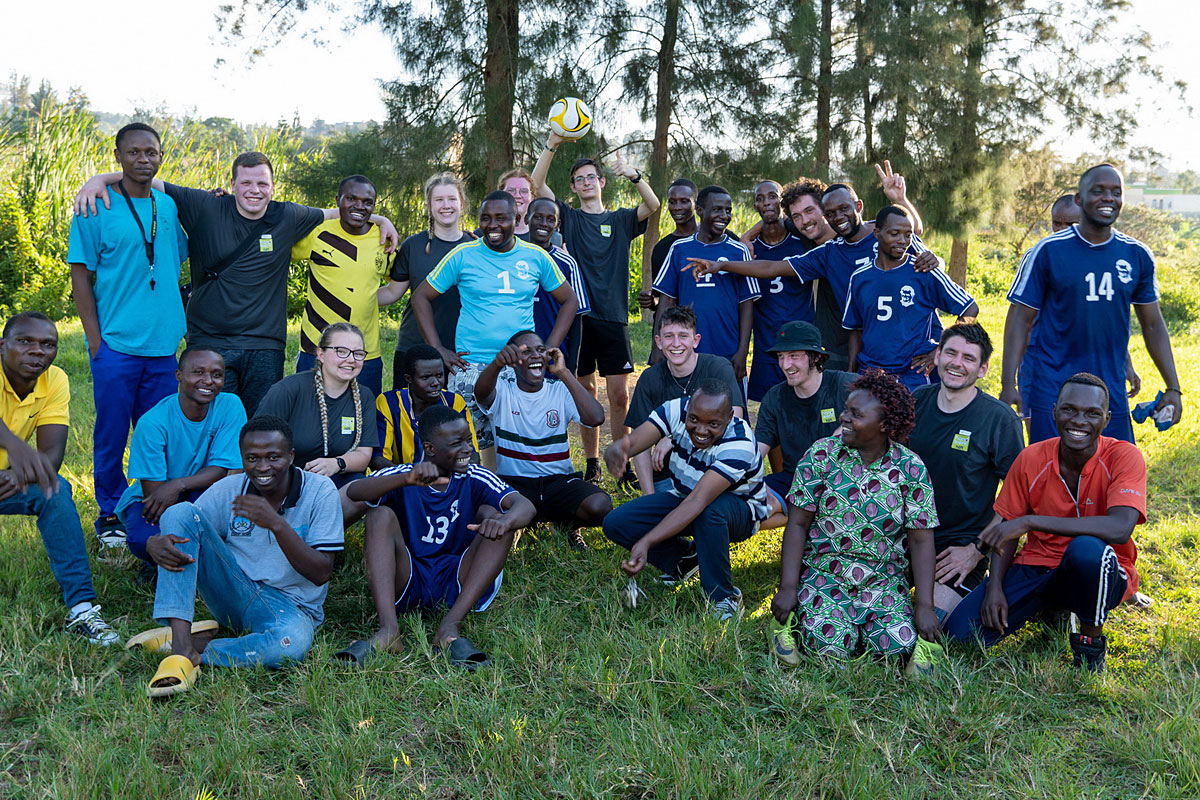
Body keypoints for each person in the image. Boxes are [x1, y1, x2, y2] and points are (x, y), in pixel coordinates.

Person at [75, 152, 398, 416]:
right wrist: (101, 178)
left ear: (273, 187)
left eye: (262, 183)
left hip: (265, 345)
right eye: (246, 182)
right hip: (210, 342)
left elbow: (340, 210)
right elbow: (148, 178)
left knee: (260, 425)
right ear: (232, 184)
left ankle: (253, 493)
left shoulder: (287, 216)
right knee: (209, 423)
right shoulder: (205, 206)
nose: (254, 190)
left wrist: (381, 219)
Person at [945, 374, 1148, 672]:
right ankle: (1053, 606)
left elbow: (1119, 529)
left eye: (1092, 413)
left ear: (1106, 418)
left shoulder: (1123, 456)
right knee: (961, 635)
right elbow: (1006, 531)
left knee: (1088, 551)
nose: (1079, 421)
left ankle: (1090, 644)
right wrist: (994, 588)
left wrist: (1030, 521)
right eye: (1069, 410)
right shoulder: (1030, 459)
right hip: (1038, 565)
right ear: (1054, 411)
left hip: (1100, 569)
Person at [130, 416, 343, 696]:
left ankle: (192, 648)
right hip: (235, 589)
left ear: (291, 456)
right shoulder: (230, 489)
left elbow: (322, 572)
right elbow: (189, 527)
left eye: (273, 457)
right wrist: (152, 544)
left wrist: (277, 525)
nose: (263, 467)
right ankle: (180, 649)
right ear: (241, 458)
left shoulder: (320, 491)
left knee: (289, 646)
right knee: (178, 513)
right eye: (252, 458)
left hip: (292, 606)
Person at [67, 122, 189, 548]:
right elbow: (80, 275)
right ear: (117, 156)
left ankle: (153, 507)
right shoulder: (94, 206)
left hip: (163, 347)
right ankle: (109, 512)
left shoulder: (168, 206)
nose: (143, 159)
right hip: (116, 344)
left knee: (158, 435)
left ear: (160, 156)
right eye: (133, 152)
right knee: (112, 432)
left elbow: (175, 258)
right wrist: (95, 340)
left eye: (151, 152)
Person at [339, 405, 536, 669]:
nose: (468, 449)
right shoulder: (405, 474)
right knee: (379, 515)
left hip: (456, 577)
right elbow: (356, 492)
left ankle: (450, 626)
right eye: (457, 443)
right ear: (430, 449)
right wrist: (405, 479)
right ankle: (389, 630)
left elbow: (525, 506)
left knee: (499, 524)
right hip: (409, 576)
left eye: (468, 440)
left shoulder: (475, 476)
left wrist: (504, 522)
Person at [768, 370, 939, 664]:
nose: (843, 418)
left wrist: (924, 605)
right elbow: (796, 524)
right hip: (826, 573)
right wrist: (788, 588)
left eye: (855, 414)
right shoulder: (822, 456)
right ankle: (786, 626)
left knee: (896, 649)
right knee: (829, 647)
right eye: (845, 409)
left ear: (885, 424)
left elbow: (922, 540)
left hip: (884, 579)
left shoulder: (910, 468)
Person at [1002, 164, 1182, 443]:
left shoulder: (1137, 255)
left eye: (1116, 192)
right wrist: (1007, 383)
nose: (1108, 198)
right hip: (1051, 385)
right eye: (1098, 191)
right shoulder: (1047, 251)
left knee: (1113, 470)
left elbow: (1153, 324)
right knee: (1050, 469)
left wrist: (1173, 387)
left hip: (1109, 388)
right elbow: (1020, 321)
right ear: (1079, 198)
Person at [690, 180, 938, 373]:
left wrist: (902, 202)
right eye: (797, 216)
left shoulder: (882, 232)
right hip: (873, 353)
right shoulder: (826, 253)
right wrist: (721, 264)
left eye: (811, 211)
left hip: (919, 347)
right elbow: (772, 267)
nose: (805, 220)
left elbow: (915, 235)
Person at [411, 191, 577, 470]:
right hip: (471, 365)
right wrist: (438, 348)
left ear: (518, 219)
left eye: (501, 218)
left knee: (516, 438)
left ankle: (518, 492)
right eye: (485, 218)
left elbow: (569, 300)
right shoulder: (464, 255)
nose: (492, 225)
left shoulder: (535, 256)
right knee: (469, 440)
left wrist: (549, 348)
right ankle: (473, 494)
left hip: (519, 367)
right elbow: (420, 297)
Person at [531, 135, 661, 488]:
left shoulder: (619, 219)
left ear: (602, 182)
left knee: (619, 395)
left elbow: (652, 204)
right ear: (573, 188)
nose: (587, 182)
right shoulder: (568, 218)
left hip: (614, 316)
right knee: (586, 389)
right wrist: (553, 144)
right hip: (580, 319)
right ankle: (591, 463)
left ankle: (623, 459)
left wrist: (634, 175)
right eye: (579, 179)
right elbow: (537, 184)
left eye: (592, 177)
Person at [602, 379, 769, 621]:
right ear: (688, 407)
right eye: (694, 420)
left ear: (730, 416)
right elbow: (637, 439)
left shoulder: (739, 443)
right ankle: (685, 560)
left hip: (738, 510)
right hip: (684, 496)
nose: (701, 430)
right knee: (616, 522)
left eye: (713, 424)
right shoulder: (676, 409)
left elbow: (699, 501)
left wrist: (646, 542)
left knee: (710, 510)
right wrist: (620, 448)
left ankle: (723, 598)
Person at [0, 312, 118, 645]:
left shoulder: (55, 380)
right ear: (2, 346)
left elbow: (51, 455)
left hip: (7, 480)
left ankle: (82, 609)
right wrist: (13, 444)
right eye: (25, 341)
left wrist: (19, 475)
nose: (37, 351)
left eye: (47, 344)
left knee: (55, 489)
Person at [907, 323, 1024, 621]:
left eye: (969, 358)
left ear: (982, 369)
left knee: (931, 623)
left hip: (956, 549)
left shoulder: (999, 420)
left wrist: (976, 551)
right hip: (906, 536)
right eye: (951, 353)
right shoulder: (917, 400)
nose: (957, 363)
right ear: (937, 356)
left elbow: (1019, 498)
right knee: (869, 609)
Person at [1007, 189, 1142, 432]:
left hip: (1090, 364)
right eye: (1056, 224)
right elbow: (1016, 315)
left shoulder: (1105, 259)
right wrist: (1010, 379)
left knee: (1092, 437)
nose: (1061, 229)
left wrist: (1126, 363)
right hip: (1043, 366)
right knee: (1046, 440)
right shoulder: (1040, 254)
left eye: (1070, 223)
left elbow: (1108, 323)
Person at [476, 331, 611, 550]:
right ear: (513, 363)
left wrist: (564, 372)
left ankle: (565, 523)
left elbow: (596, 418)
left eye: (540, 350)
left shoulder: (560, 390)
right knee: (481, 509)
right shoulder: (503, 390)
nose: (535, 356)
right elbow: (480, 393)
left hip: (557, 482)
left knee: (600, 505)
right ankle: (522, 521)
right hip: (515, 484)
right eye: (525, 352)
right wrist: (497, 364)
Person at [116, 347, 248, 566]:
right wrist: (174, 493)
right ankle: (160, 560)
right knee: (142, 538)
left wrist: (178, 484)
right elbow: (156, 496)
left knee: (227, 523)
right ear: (179, 375)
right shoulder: (152, 423)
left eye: (217, 375)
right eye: (198, 372)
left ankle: (192, 558)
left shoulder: (229, 405)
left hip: (204, 490)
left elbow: (223, 469)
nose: (208, 381)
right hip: (156, 497)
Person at [842, 206, 978, 390]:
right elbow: (855, 330)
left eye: (908, 235)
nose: (902, 240)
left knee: (911, 419)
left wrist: (939, 349)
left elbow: (969, 308)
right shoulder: (860, 277)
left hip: (912, 375)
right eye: (894, 233)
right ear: (877, 233)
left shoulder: (923, 271)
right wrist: (851, 374)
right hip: (871, 372)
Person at [624, 305, 744, 493]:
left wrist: (675, 438)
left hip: (713, 471)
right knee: (630, 520)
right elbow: (640, 444)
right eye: (669, 336)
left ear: (696, 340)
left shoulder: (717, 368)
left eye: (683, 335)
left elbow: (735, 419)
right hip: (668, 475)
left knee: (699, 516)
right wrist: (648, 497)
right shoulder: (649, 379)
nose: (676, 343)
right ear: (659, 342)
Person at [254, 323, 378, 504]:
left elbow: (363, 455)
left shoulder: (364, 396)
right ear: (321, 354)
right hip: (286, 480)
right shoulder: (288, 390)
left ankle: (323, 528)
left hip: (335, 479)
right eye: (341, 351)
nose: (351, 360)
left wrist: (337, 463)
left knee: (363, 489)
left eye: (358, 353)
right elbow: (257, 443)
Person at [292, 175, 391, 397]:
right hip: (316, 349)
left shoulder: (383, 238)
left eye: (367, 202)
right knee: (310, 418)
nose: (359, 206)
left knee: (363, 420)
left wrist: (367, 299)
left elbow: (399, 278)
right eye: (351, 199)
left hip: (365, 352)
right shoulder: (318, 232)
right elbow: (280, 236)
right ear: (338, 200)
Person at [652, 185, 759, 385]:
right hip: (685, 348)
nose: (724, 215)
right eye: (717, 209)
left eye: (728, 210)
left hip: (727, 348)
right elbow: (666, 300)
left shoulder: (738, 251)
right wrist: (657, 348)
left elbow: (747, 304)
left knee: (729, 408)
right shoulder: (679, 249)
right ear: (700, 211)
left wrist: (743, 351)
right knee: (689, 408)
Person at [380, 172, 475, 388]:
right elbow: (392, 292)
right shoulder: (414, 245)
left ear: (462, 203)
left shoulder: (475, 246)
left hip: (461, 350)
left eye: (452, 199)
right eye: (439, 200)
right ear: (429, 206)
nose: (446, 205)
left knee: (453, 417)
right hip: (414, 347)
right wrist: (347, 296)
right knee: (408, 417)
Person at [754, 321, 855, 506]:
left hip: (845, 480)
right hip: (794, 479)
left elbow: (888, 400)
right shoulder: (774, 398)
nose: (785, 364)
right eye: (781, 356)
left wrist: (846, 426)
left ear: (815, 357)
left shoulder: (845, 385)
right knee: (741, 504)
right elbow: (758, 450)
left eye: (794, 356)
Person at [745, 180, 818, 401]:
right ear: (755, 206)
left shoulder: (803, 242)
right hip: (767, 343)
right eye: (760, 199)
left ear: (782, 202)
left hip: (801, 339)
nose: (766, 202)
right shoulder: (750, 250)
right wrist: (746, 239)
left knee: (805, 401)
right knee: (771, 406)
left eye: (772, 196)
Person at [372, 343, 478, 470]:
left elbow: (472, 454)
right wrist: (414, 480)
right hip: (403, 482)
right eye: (426, 377)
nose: (435, 383)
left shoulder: (454, 402)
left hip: (449, 481)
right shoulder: (389, 403)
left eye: (439, 375)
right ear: (409, 378)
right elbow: (378, 460)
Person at [528, 197, 591, 373]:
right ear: (526, 218)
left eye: (550, 219)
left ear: (558, 224)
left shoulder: (567, 263)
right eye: (537, 217)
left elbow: (577, 318)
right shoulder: (514, 256)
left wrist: (570, 368)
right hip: (519, 357)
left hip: (553, 358)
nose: (543, 223)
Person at [641, 178, 699, 362]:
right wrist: (651, 301)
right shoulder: (662, 248)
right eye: (672, 202)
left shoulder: (717, 240)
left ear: (696, 203)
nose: (677, 207)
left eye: (684, 201)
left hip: (711, 328)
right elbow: (663, 301)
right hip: (677, 334)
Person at [498, 168, 535, 238]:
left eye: (524, 191)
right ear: (500, 195)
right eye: (511, 190)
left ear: (532, 198)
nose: (517, 196)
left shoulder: (543, 237)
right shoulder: (483, 234)